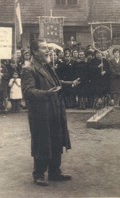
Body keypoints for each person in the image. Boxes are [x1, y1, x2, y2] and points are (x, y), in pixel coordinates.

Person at [21, 39, 80, 186]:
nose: (47, 50)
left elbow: (55, 83)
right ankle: (39, 174)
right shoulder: (29, 69)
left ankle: (54, 172)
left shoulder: (46, 65)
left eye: (47, 48)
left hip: (54, 109)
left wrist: (69, 83)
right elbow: (28, 92)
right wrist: (47, 94)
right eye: (43, 48)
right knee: (42, 141)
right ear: (35, 52)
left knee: (56, 139)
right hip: (41, 113)